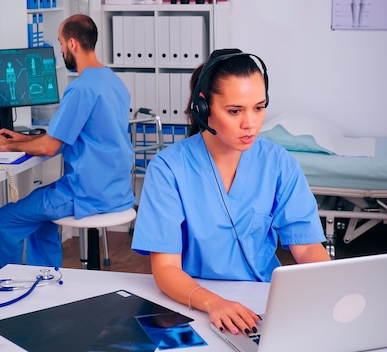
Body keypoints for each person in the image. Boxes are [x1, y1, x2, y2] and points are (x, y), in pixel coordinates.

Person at [131, 49, 330, 336]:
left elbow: (307, 246)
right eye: (235, 111)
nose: (250, 123)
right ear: (203, 107)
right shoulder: (169, 168)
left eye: (259, 108)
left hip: (261, 304)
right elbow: (165, 269)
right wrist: (214, 304)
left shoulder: (278, 162)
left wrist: (336, 289)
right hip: (192, 303)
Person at [0, 14, 134, 275]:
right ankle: (45, 281)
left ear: (73, 44)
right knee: (39, 218)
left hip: (86, 194)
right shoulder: (112, 82)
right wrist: (20, 139)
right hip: (115, 190)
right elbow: (66, 137)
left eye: (61, 43)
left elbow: (50, 147)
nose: (61, 50)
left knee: (3, 220)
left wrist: (8, 146)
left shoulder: (81, 89)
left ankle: (1, 286)